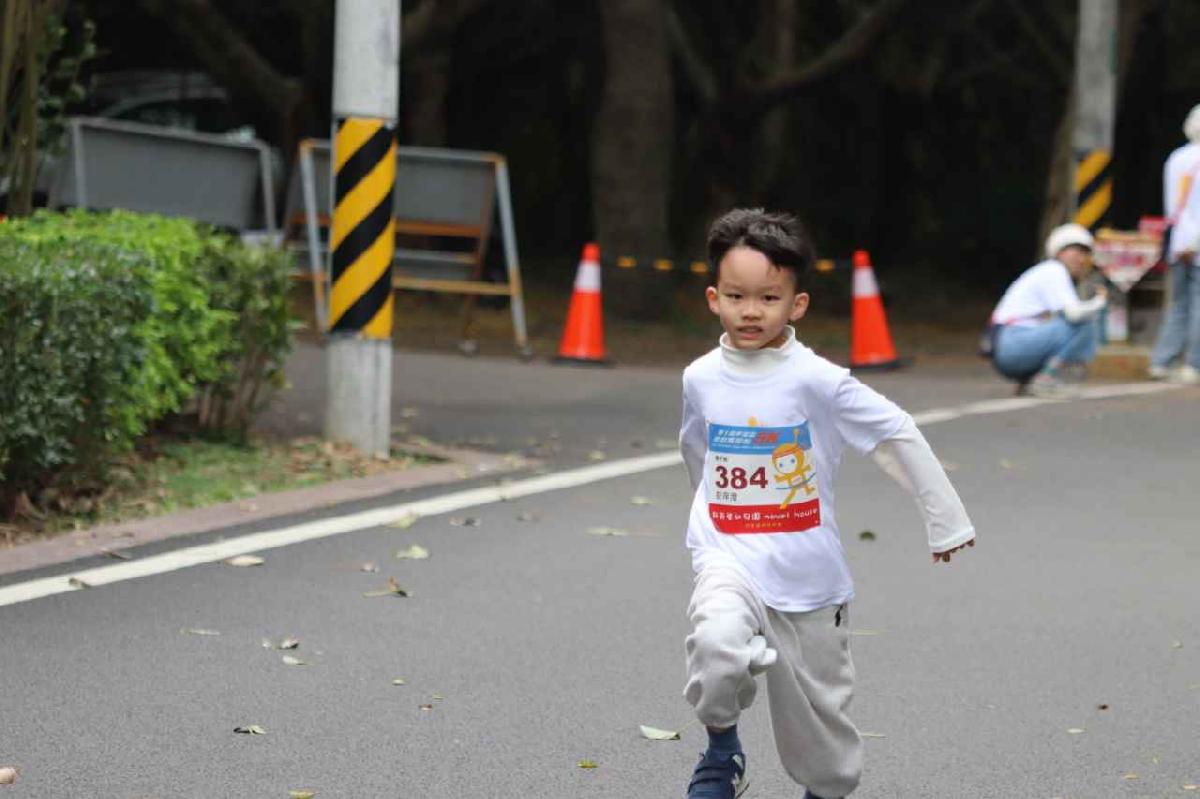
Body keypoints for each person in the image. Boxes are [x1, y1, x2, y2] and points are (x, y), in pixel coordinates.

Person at [679, 209, 976, 799]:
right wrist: (712, 515)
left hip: (808, 578)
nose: (750, 310)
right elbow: (698, 450)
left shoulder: (817, 380)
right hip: (728, 557)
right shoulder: (700, 377)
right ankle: (720, 749)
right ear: (714, 298)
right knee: (716, 647)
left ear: (798, 305)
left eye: (768, 297)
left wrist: (944, 522)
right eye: (736, 295)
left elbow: (895, 431)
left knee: (828, 761)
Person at [988, 223, 1107, 396]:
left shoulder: (1045, 272)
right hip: (1012, 343)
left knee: (1065, 321)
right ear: (1059, 252)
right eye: (1075, 251)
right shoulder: (1054, 270)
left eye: (1084, 254)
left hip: (1005, 345)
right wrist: (1099, 302)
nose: (1081, 259)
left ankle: (1029, 382)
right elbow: (1074, 315)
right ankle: (1046, 379)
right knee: (1084, 323)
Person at [1149, 104, 1200, 385]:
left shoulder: (1176, 158)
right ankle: (1193, 364)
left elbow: (1173, 206)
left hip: (1178, 240)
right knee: (1199, 305)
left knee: (1179, 303)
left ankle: (1161, 361)